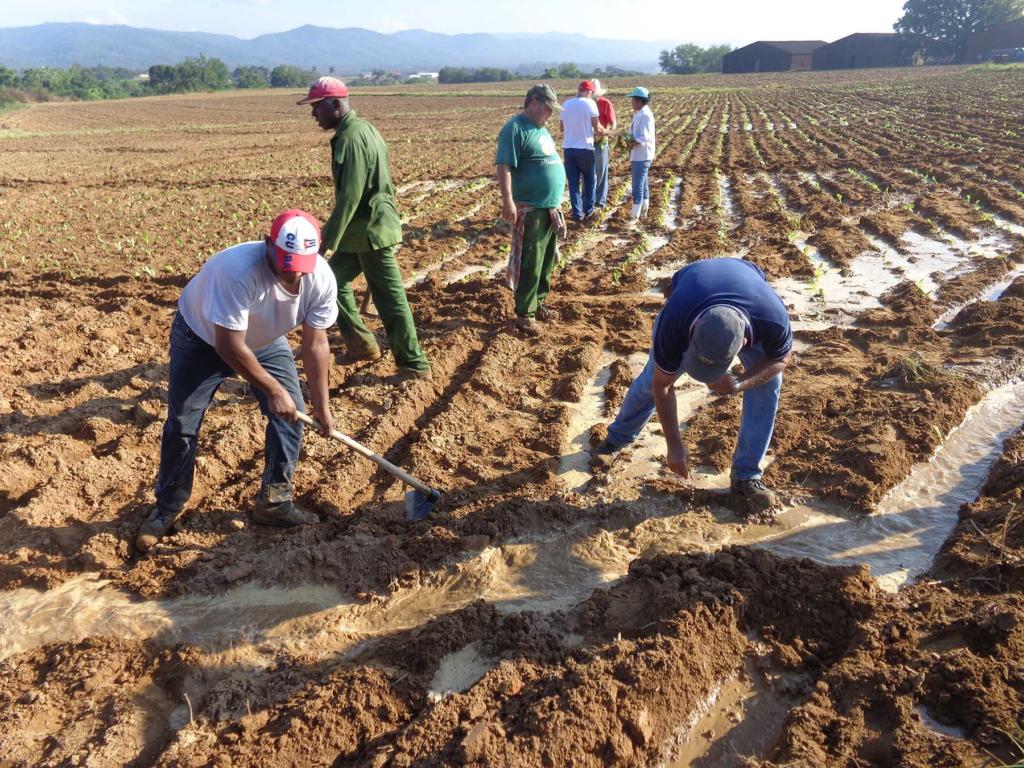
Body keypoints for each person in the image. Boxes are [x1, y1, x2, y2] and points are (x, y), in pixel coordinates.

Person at [136, 210, 339, 552]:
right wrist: (272, 390)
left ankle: (274, 502)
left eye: (300, 265)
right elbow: (228, 345)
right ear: (268, 245)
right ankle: (167, 507)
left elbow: (316, 343)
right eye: (285, 263)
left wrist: (323, 406)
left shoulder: (321, 278)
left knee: (292, 414)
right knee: (183, 423)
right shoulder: (237, 271)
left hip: (263, 339)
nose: (292, 273)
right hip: (201, 336)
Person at [590, 258, 793, 513]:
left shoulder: (772, 319)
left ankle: (746, 475)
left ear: (743, 343)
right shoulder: (675, 322)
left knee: (767, 383)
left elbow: (780, 359)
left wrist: (740, 382)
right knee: (652, 379)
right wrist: (674, 446)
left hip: (746, 286)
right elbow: (663, 386)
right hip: (692, 287)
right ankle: (616, 439)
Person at [298, 76, 431, 381]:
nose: (313, 114)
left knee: (390, 298)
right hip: (362, 232)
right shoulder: (364, 129)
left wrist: (323, 244)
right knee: (330, 283)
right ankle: (360, 344)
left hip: (369, 232)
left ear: (336, 104)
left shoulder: (350, 138)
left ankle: (413, 364)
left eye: (317, 107)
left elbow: (350, 196)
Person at [495, 84, 568, 337]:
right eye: (548, 108)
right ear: (534, 102)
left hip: (549, 207)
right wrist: (508, 201)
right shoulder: (514, 129)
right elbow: (504, 166)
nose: (550, 113)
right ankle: (524, 313)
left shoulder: (542, 129)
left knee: (546, 259)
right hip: (531, 207)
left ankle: (539, 302)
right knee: (531, 261)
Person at [559, 80, 600, 222]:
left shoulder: (566, 104)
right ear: (588, 92)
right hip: (585, 148)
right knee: (589, 181)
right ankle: (588, 211)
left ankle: (577, 213)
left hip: (569, 149)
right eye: (592, 93)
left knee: (573, 183)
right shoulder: (590, 104)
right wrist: (606, 132)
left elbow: (561, 128)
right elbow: (598, 128)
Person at [627, 86, 655, 223]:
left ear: (638, 101)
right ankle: (643, 212)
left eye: (632, 99)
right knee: (643, 183)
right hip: (639, 154)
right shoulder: (640, 113)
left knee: (637, 185)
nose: (631, 102)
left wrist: (631, 143)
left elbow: (645, 136)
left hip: (642, 155)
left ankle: (634, 216)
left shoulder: (645, 115)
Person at [591, 79, 617, 209]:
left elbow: (613, 123)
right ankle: (589, 199)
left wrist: (604, 133)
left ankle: (600, 201)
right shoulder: (586, 104)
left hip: (600, 142)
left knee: (601, 172)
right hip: (586, 142)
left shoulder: (605, 103)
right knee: (588, 173)